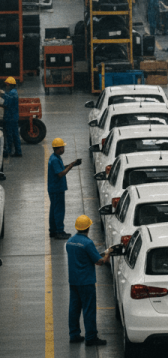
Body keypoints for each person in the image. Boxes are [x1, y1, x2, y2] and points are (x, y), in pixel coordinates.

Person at [66, 215, 112, 346]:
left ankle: (74, 334)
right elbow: (98, 261)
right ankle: (91, 337)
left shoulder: (70, 242)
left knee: (74, 309)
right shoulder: (88, 243)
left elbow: (84, 256)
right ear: (88, 227)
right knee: (89, 309)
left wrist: (99, 254)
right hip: (86, 282)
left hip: (74, 281)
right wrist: (107, 256)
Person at [48, 138, 82, 239]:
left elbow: (61, 168)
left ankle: (53, 231)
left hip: (54, 188)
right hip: (57, 189)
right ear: (59, 148)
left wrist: (73, 163)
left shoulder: (55, 157)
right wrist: (71, 166)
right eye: (63, 147)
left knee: (54, 210)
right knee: (59, 210)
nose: (64, 149)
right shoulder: (54, 159)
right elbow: (60, 173)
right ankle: (59, 231)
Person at [1, 76, 21, 158]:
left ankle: (9, 151)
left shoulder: (12, 93)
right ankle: (18, 151)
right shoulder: (13, 92)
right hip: (13, 117)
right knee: (15, 135)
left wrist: (2, 95)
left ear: (10, 85)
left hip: (10, 118)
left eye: (7, 85)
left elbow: (7, 103)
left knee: (10, 135)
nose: (6, 86)